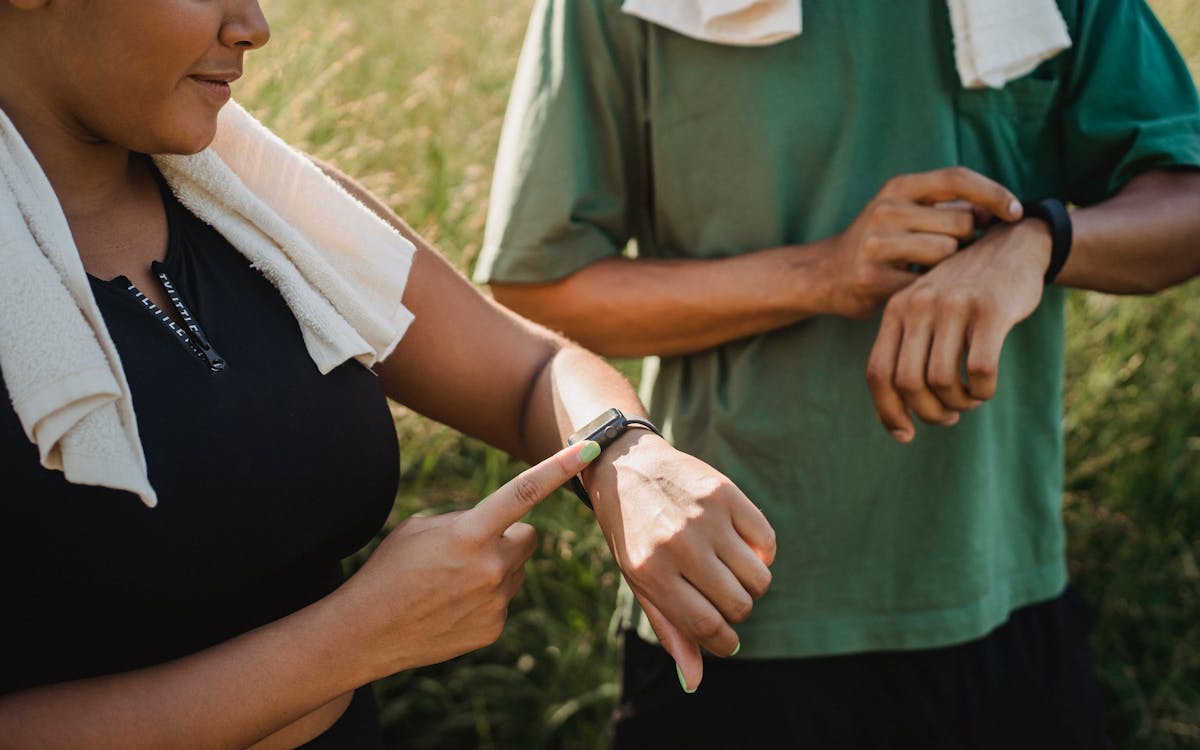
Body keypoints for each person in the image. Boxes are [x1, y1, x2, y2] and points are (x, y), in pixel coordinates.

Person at [0, 1, 777, 748]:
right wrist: (346, 643)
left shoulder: (268, 206)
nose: (254, 27)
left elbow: (533, 368)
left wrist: (626, 456)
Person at [475, 0, 1200, 746]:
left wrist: (1036, 243)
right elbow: (543, 283)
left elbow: (1186, 202)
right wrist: (822, 274)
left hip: (1003, 601)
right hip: (731, 606)